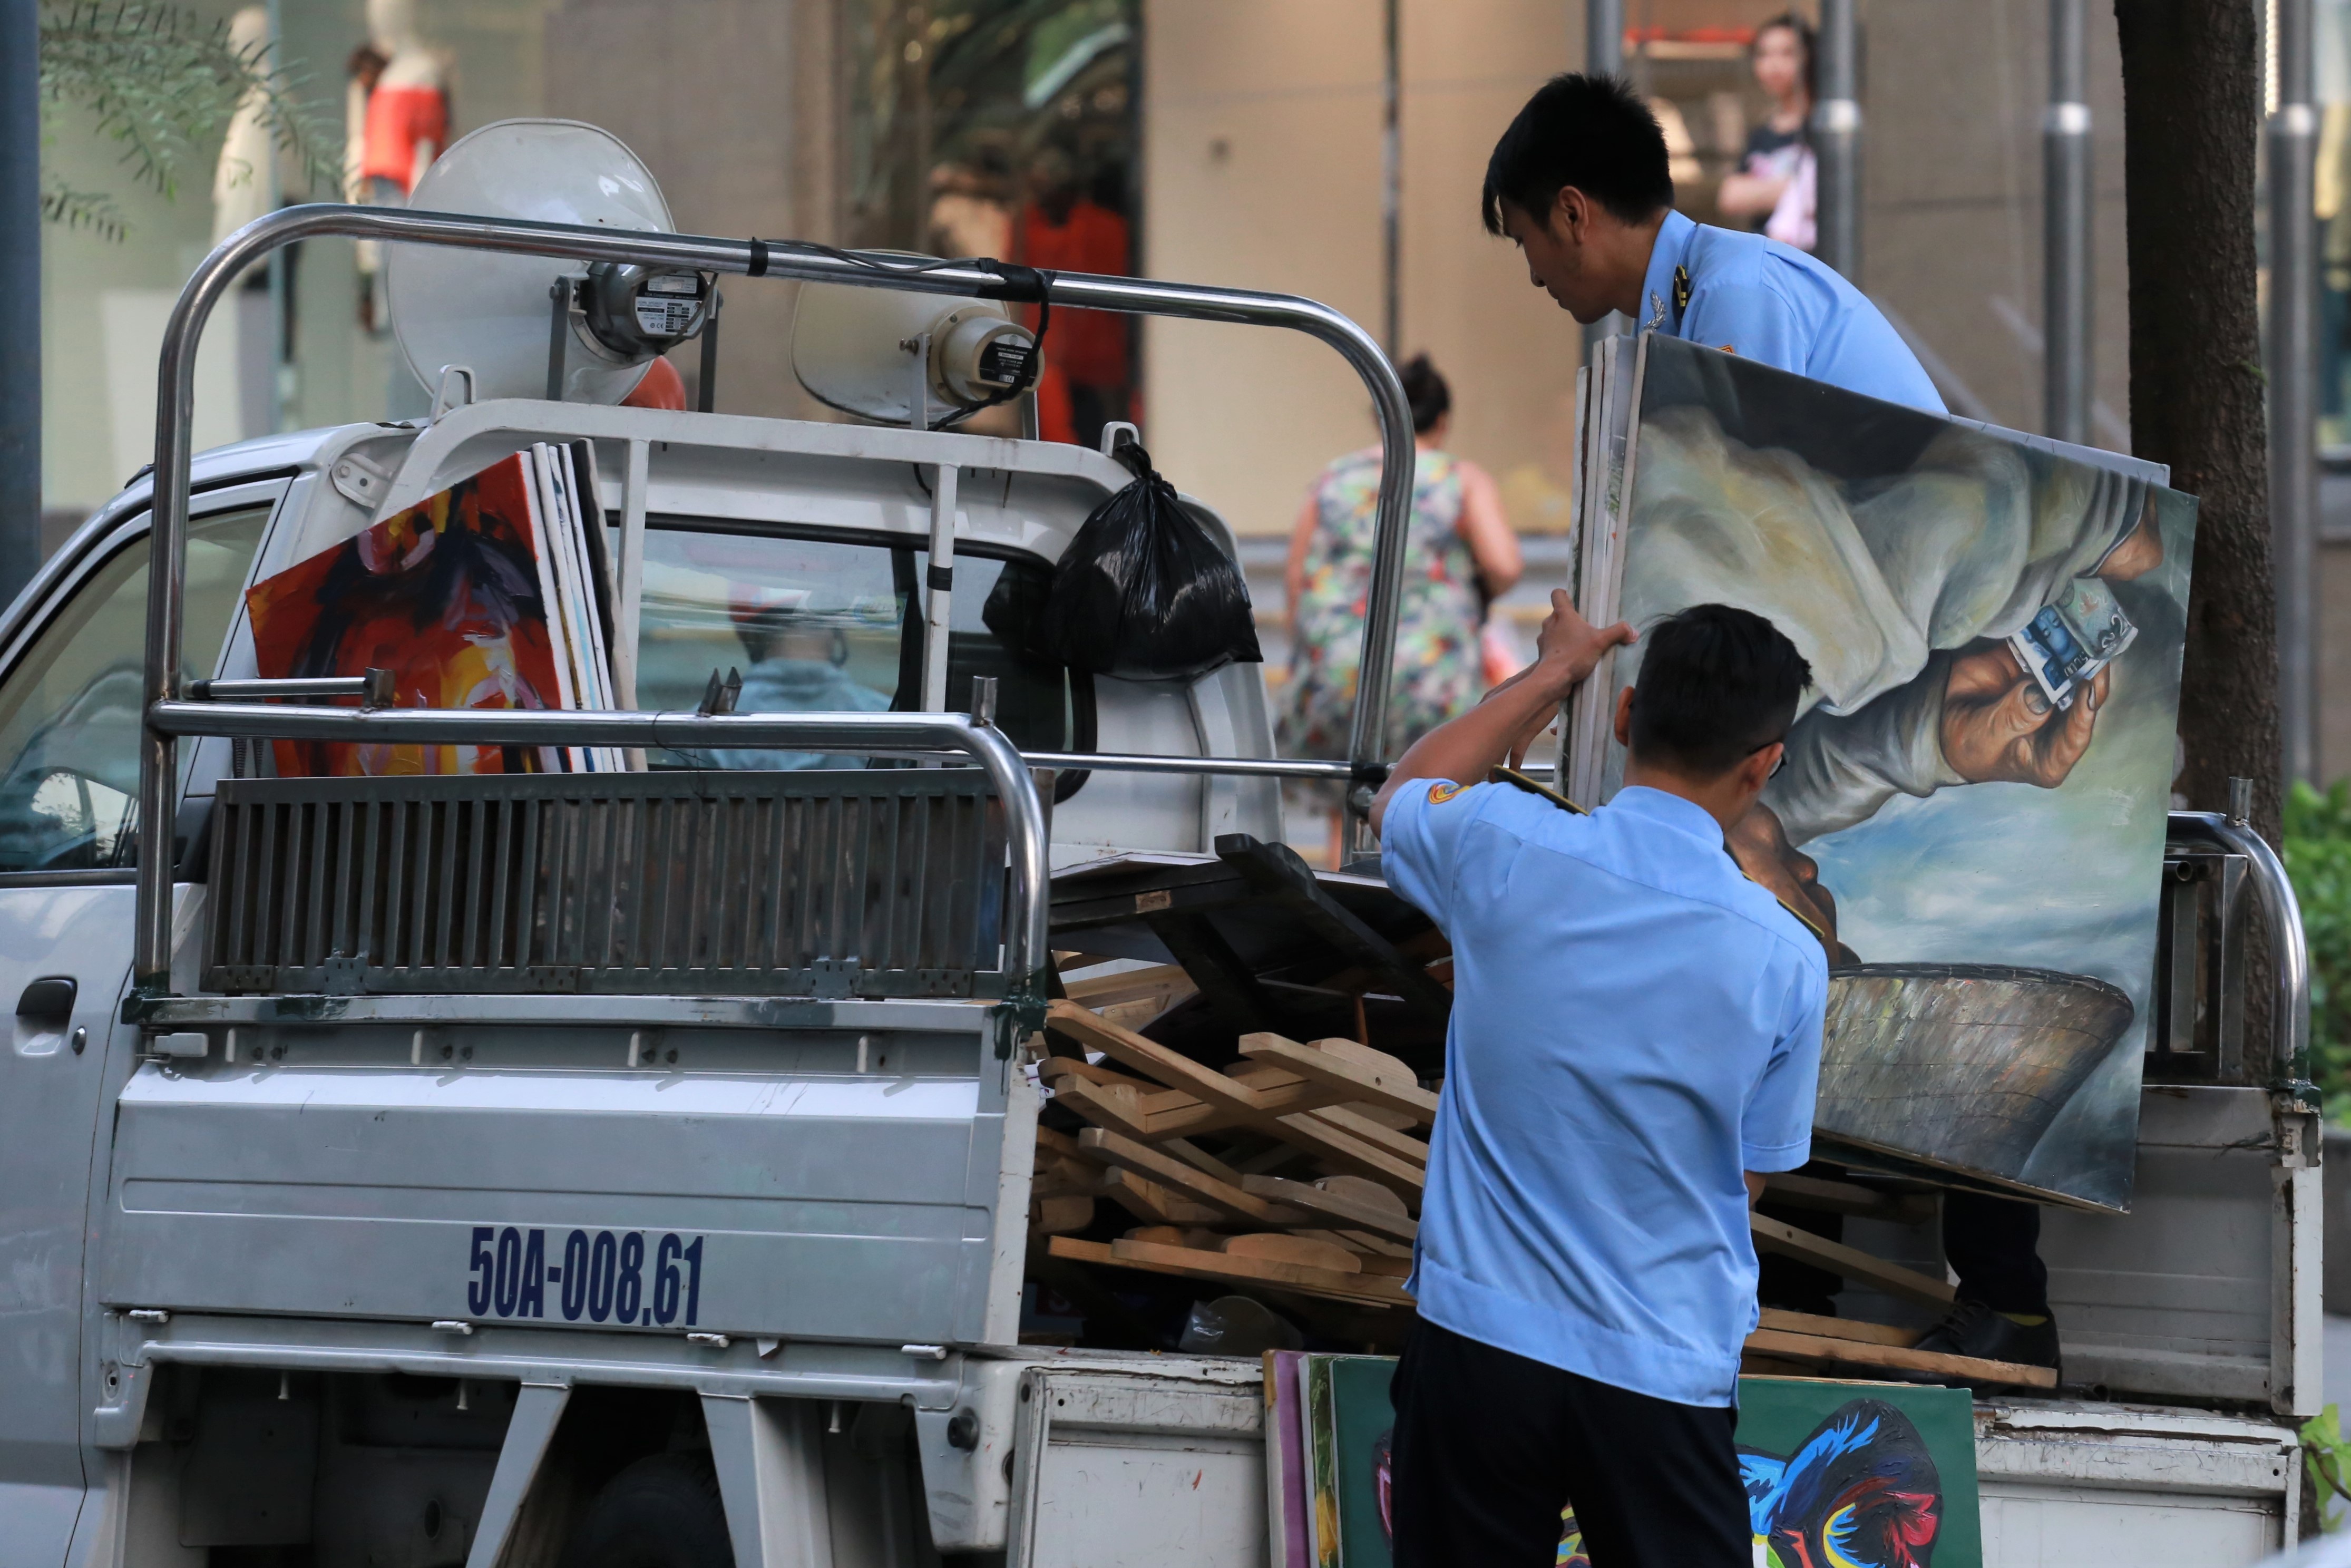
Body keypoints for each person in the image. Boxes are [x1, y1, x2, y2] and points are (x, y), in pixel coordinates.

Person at [1480, 71, 2062, 1377]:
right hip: (1823, 691)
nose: (1531, 277)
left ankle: (1999, 1297)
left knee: (1864, 976)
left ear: (1571, 212)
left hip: (1864, 675)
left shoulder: (1734, 306)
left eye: (1523, 241)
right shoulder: (1692, 307)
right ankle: (1803, 1277)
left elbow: (1748, 553)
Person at [1371, 599, 1825, 1568]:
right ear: (1765, 763)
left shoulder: (1500, 845)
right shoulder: (1784, 957)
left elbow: (1403, 794)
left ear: (1623, 717)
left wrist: (1550, 675)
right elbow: (1744, 1181)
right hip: (1660, 1370)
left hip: (1480, 1345)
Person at [1282, 355, 1523, 864]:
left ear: (1381, 415)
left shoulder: (1332, 480)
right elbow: (1503, 564)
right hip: (1428, 673)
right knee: (1433, 801)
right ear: (1443, 420)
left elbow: (1296, 579)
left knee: (1347, 807)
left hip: (1340, 668)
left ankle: (1347, 909)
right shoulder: (1460, 478)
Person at [1716, 14, 1816, 249]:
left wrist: (1759, 193)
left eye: (1787, 53)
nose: (1774, 64)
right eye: (1764, 54)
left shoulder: (1823, 129)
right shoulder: (1762, 133)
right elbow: (1729, 197)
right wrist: (1795, 189)